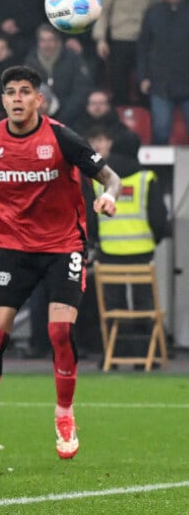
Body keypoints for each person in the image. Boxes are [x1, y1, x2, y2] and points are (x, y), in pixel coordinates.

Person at [0, 65, 121, 462]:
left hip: (63, 246)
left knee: (58, 332)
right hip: (15, 250)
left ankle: (65, 415)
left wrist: (110, 196)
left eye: (25, 92)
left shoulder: (60, 137)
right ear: (3, 101)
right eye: (11, 92)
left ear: (39, 100)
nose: (17, 98)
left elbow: (111, 177)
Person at [91, 129, 170, 360]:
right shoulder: (146, 179)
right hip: (141, 254)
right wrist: (154, 240)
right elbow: (158, 219)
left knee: (113, 307)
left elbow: (90, 218)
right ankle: (145, 356)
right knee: (144, 306)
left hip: (108, 253)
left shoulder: (99, 181)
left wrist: (97, 242)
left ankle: (113, 355)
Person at [136, 0, 189, 145]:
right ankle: (161, 173)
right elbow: (143, 47)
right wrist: (143, 76)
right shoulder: (153, 12)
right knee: (160, 132)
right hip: (161, 82)